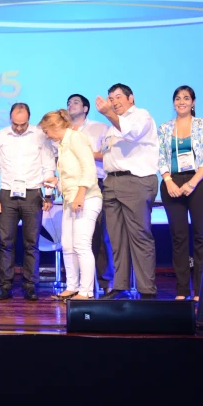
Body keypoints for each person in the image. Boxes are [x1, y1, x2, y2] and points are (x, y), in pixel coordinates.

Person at [95, 84, 159, 300]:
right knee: (116, 238)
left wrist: (109, 113)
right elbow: (106, 153)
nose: (114, 101)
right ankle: (120, 285)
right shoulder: (112, 125)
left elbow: (130, 133)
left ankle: (146, 289)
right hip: (112, 182)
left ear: (131, 98)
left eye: (119, 97)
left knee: (139, 236)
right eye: (111, 98)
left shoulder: (141, 115)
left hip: (136, 182)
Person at [0, 103, 56, 302]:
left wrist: (49, 194)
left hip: (33, 193)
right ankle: (5, 285)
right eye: (15, 124)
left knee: (31, 243)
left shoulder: (39, 135)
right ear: (10, 118)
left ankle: (30, 285)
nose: (19, 128)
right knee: (6, 242)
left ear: (29, 119)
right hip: (7, 194)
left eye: (23, 124)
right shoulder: (0, 136)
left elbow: (48, 166)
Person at [158, 85, 203, 302]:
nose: (181, 101)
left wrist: (192, 183)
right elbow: (160, 157)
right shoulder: (164, 128)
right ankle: (182, 290)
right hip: (172, 183)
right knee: (179, 238)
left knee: (201, 237)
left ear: (193, 102)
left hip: (199, 182)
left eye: (186, 98)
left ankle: (201, 290)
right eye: (177, 98)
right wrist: (168, 180)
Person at [39, 109, 104, 301]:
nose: (46, 135)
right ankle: (72, 286)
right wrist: (55, 182)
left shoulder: (76, 138)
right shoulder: (62, 145)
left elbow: (88, 167)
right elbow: (71, 176)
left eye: (46, 130)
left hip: (86, 198)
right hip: (70, 200)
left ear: (53, 127)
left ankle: (86, 291)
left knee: (82, 244)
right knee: (67, 245)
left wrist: (81, 194)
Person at [66, 94, 114, 292]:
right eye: (68, 103)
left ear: (85, 108)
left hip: (98, 184)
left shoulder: (100, 128)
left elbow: (108, 156)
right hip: (71, 186)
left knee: (101, 235)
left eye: (75, 102)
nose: (70, 105)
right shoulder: (65, 131)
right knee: (75, 239)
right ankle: (77, 285)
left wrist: (84, 153)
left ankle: (104, 283)